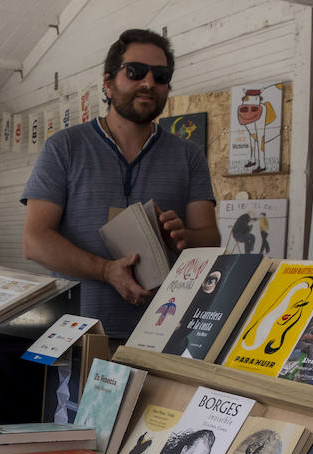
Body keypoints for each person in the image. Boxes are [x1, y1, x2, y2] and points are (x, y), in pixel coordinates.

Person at [21, 28, 219, 338]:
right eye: (135, 71)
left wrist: (184, 237)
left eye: (161, 75)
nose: (149, 83)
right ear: (109, 82)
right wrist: (105, 271)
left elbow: (210, 240)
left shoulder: (188, 156)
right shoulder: (65, 147)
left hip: (163, 338)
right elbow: (34, 241)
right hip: (77, 338)